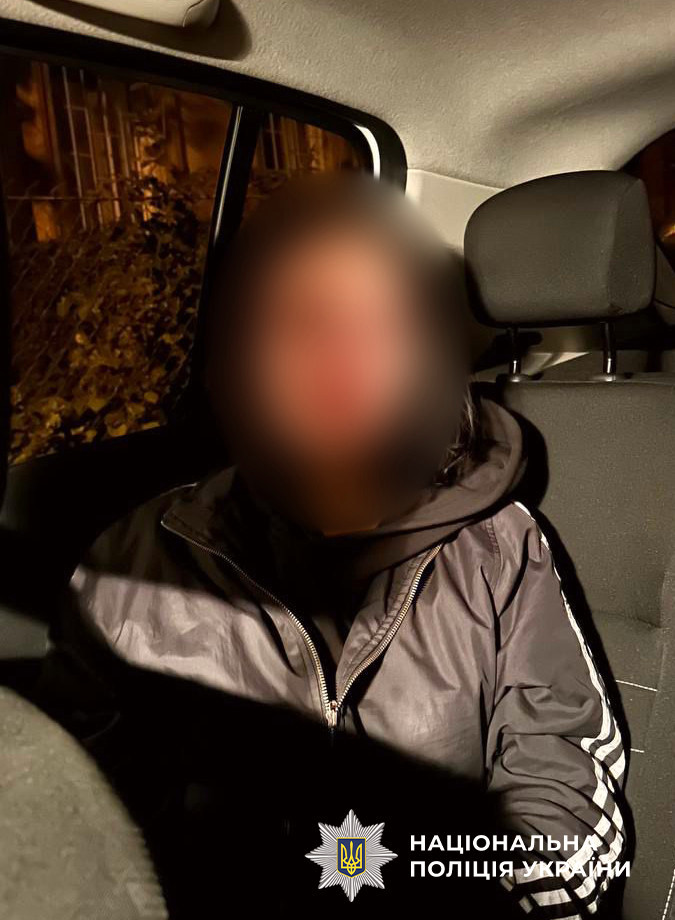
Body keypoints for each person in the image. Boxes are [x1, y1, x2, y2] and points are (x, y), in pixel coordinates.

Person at [38, 175, 626, 918]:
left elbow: (559, 806)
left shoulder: (498, 550)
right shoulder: (132, 567)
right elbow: (66, 829)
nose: (339, 362)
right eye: (297, 323)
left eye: (379, 327)